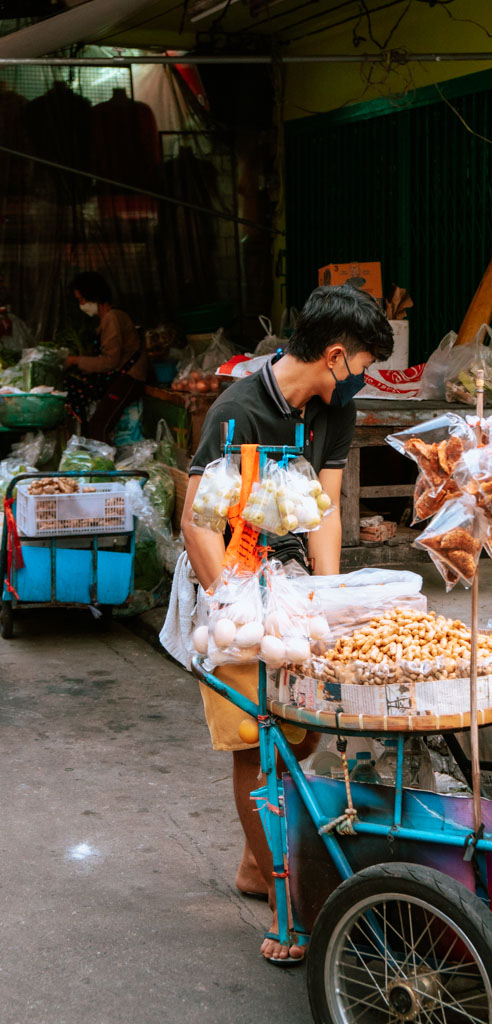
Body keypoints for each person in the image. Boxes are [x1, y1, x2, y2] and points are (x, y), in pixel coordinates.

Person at [181, 284, 393, 964]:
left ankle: (254, 861)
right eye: (361, 363)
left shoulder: (335, 407)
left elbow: (324, 509)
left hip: (294, 592)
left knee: (300, 736)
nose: (362, 377)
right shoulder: (237, 410)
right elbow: (197, 521)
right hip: (232, 590)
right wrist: (232, 608)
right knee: (255, 740)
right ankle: (282, 905)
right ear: (335, 355)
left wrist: (327, 596)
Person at [65, 271, 147, 441]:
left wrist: (75, 361)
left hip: (129, 378)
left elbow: (110, 361)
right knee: (97, 425)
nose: (81, 305)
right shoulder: (107, 319)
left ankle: (104, 466)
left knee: (99, 427)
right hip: (122, 377)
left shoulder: (112, 318)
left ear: (94, 297)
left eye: (82, 299)